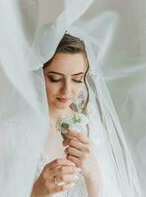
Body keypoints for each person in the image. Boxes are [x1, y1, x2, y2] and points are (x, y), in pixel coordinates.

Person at [31, 34, 101, 197]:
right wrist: (36, 193)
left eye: (77, 79)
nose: (67, 91)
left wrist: (93, 175)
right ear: (37, 75)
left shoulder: (92, 127)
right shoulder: (11, 133)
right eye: (55, 79)